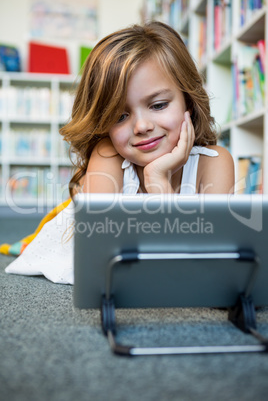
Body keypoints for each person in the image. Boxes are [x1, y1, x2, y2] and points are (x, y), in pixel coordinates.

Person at [5, 21, 234, 284]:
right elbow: (98, 255)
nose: (141, 126)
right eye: (121, 116)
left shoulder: (215, 162)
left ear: (189, 102)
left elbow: (216, 263)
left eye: (158, 105)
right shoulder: (108, 153)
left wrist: (158, 180)